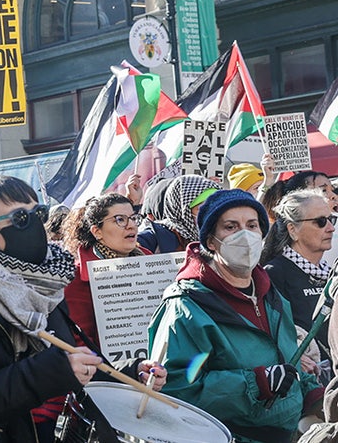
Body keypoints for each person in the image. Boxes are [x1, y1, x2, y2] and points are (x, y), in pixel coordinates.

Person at [0, 176, 164, 443]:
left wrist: (131, 373)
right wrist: (51, 371)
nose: (35, 225)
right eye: (21, 218)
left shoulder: (47, 288)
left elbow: (80, 364)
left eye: (39, 213)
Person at [149, 189, 323, 443]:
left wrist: (313, 393)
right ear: (211, 241)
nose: (245, 235)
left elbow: (287, 361)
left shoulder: (270, 294)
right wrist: (256, 383)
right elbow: (176, 388)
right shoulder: (186, 306)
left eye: (252, 225)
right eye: (231, 227)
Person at [62, 193, 150, 350]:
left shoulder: (151, 262)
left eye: (133, 218)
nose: (131, 226)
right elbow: (81, 340)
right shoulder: (75, 278)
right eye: (120, 220)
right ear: (97, 232)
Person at [262, 188, 334, 373]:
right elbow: (270, 333)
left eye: (331, 219)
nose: (331, 228)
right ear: (292, 229)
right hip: (308, 382)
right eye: (320, 221)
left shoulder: (330, 272)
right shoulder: (274, 273)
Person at [137, 174, 221, 252]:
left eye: (216, 208)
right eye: (202, 209)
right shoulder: (154, 238)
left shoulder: (220, 237)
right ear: (182, 211)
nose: (211, 214)